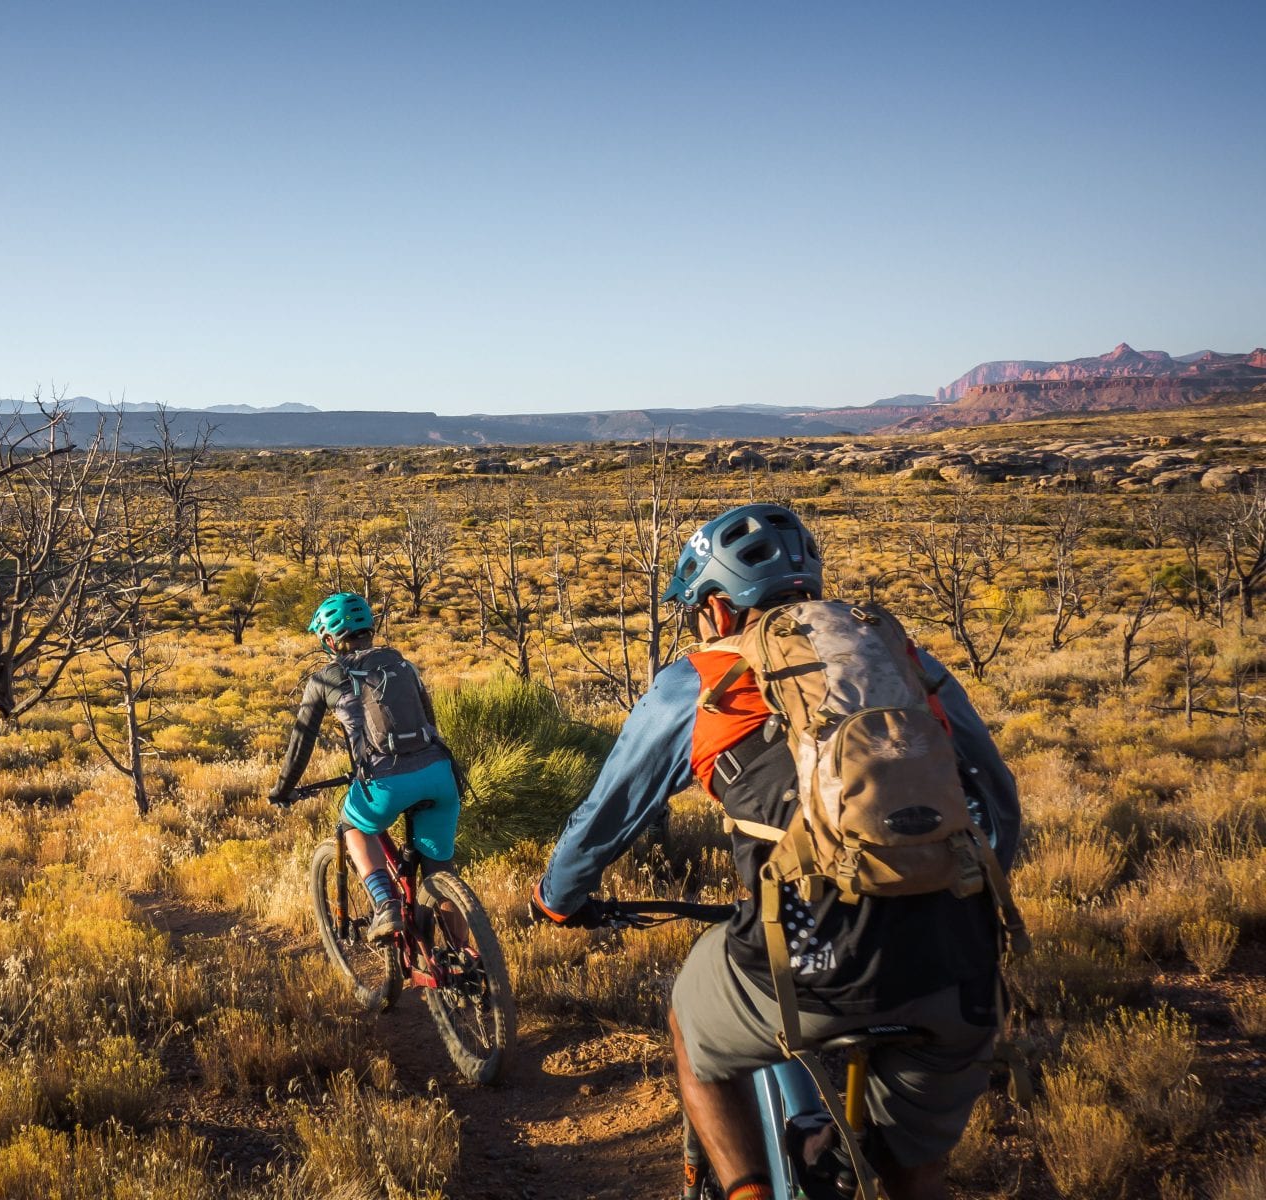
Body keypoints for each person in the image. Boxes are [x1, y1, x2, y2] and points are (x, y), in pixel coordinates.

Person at [529, 503, 1022, 1200]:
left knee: (691, 1025)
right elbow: (998, 798)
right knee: (918, 1174)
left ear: (720, 610)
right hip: (959, 951)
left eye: (698, 611)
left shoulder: (699, 682)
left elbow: (603, 820)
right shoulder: (904, 659)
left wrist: (558, 897)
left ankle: (747, 1190)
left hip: (812, 949)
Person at [267, 592, 462, 943]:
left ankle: (385, 903)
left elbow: (300, 744)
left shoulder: (325, 678)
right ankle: (466, 964)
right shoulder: (403, 663)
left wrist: (283, 789)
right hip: (440, 776)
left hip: (386, 784)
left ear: (329, 640)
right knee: (440, 871)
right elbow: (429, 723)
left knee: (351, 826)